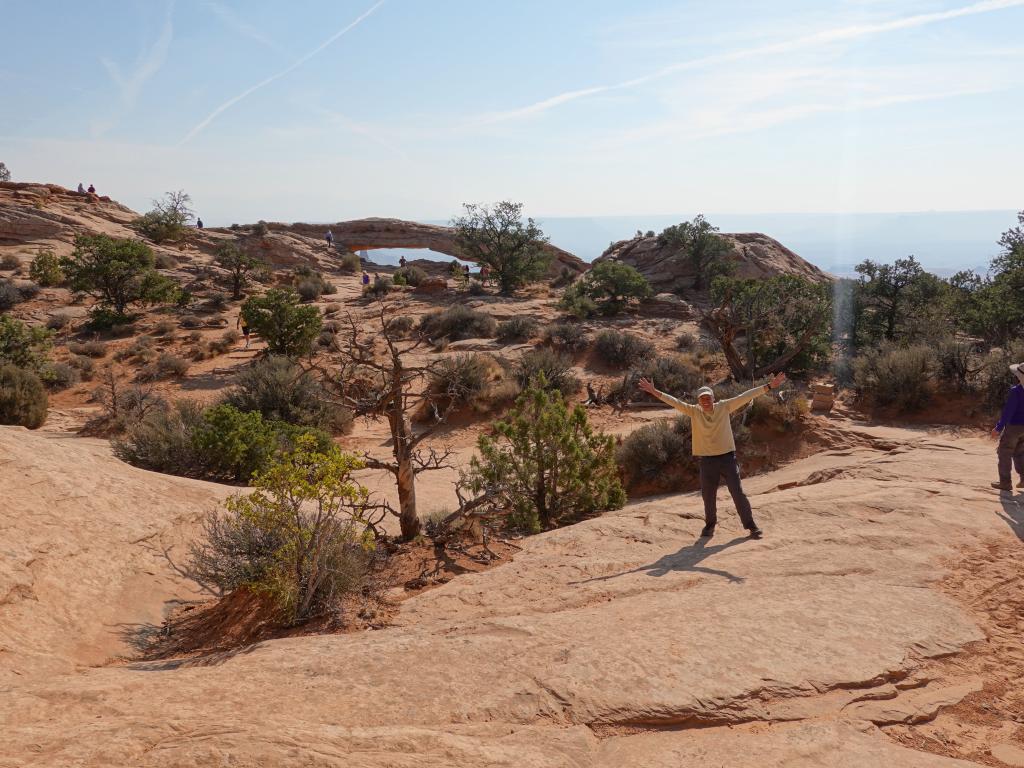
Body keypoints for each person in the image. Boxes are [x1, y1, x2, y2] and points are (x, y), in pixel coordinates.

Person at [637, 372, 787, 539]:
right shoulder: (694, 412)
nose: (706, 401)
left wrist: (769, 386)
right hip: (707, 461)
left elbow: (746, 396)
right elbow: (675, 402)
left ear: (713, 398)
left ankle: (751, 525)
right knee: (708, 495)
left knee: (738, 492)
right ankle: (710, 525)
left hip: (727, 458)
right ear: (698, 401)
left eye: (708, 398)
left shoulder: (724, 406)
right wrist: (654, 391)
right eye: (702, 399)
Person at [990, 363, 1024, 491]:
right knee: (1020, 452)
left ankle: (1005, 482)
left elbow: (1008, 412)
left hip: (1014, 427)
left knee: (1004, 453)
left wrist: (998, 428)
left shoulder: (1016, 391)